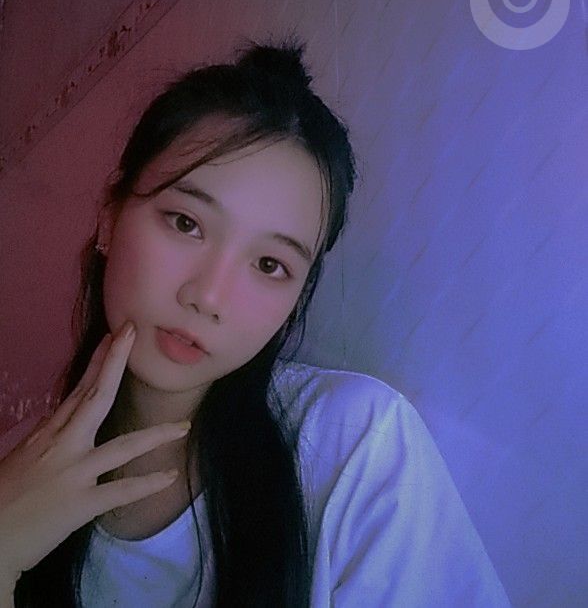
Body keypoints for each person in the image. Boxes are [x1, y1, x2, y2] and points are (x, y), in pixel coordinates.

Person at [0, 35, 512, 607]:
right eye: (186, 223)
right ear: (109, 218)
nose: (209, 296)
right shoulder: (18, 469)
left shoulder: (352, 445)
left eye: (270, 264)